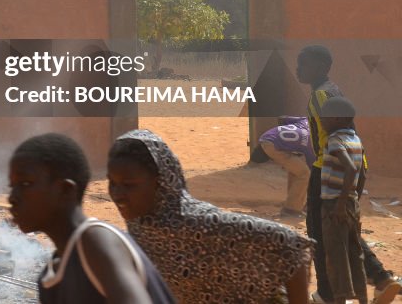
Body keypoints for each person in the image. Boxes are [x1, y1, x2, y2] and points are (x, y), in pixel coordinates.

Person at [107, 129, 312, 303]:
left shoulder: (203, 224)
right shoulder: (140, 227)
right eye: (112, 183)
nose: (117, 195)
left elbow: (292, 246)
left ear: (160, 181)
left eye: (129, 185)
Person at [8, 133, 175, 303]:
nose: (12, 197)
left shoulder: (95, 242)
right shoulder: (50, 276)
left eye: (25, 184)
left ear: (65, 190)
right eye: (12, 186)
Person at [297, 45, 402, 304]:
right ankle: (380, 278)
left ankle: (327, 293)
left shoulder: (320, 96)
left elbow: (333, 137)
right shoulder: (333, 91)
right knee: (345, 229)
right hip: (353, 163)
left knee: (318, 232)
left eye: (304, 64)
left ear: (321, 67)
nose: (298, 69)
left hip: (329, 169)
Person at [319, 97, 367, 304]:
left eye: (324, 116)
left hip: (334, 205)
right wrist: (352, 198)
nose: (321, 120)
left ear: (337, 118)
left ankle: (340, 299)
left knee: (336, 254)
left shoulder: (335, 141)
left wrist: (339, 205)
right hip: (351, 204)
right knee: (355, 253)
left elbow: (351, 168)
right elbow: (361, 173)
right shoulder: (356, 140)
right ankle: (362, 298)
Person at [258, 116, 315, 218]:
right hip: (272, 146)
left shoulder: (305, 120)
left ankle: (292, 203)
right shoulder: (311, 144)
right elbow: (313, 169)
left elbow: (283, 118)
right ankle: (290, 210)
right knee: (304, 174)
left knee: (296, 171)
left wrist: (286, 143)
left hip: (268, 137)